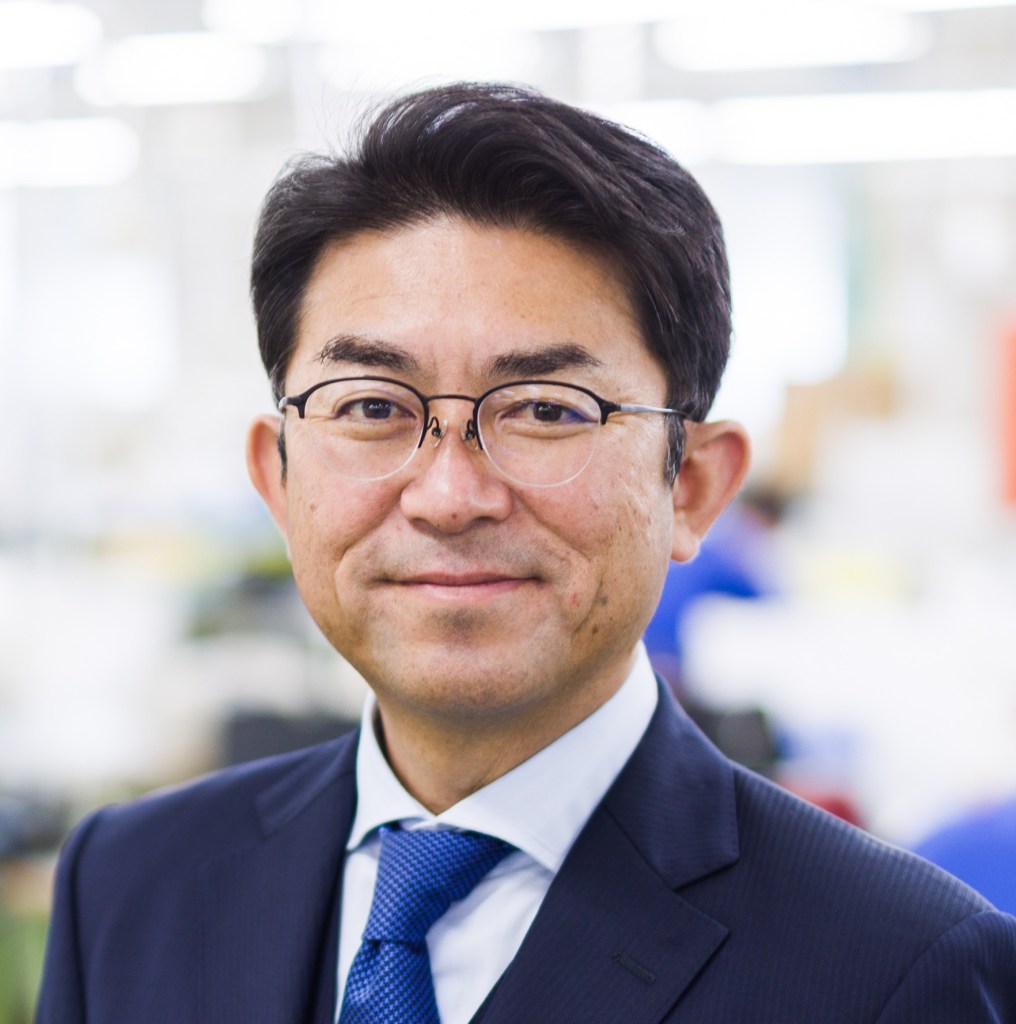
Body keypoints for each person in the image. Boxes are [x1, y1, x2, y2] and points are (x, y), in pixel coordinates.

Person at [36, 82, 1015, 1024]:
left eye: (546, 410)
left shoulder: (892, 970)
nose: (450, 495)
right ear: (277, 477)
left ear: (692, 485)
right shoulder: (128, 885)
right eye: (371, 407)